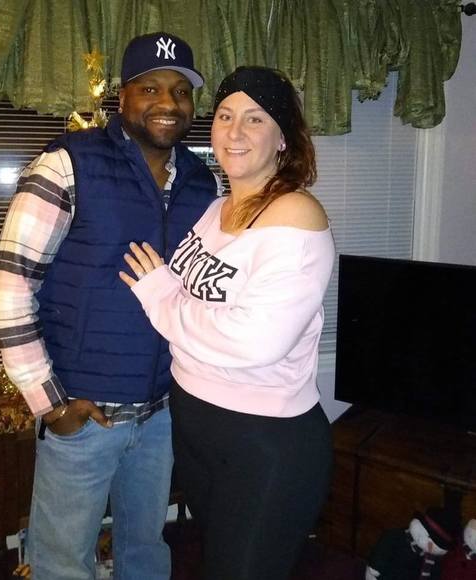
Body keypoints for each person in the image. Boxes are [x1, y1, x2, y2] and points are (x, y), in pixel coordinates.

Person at [0, 32, 218, 580]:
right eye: (150, 88)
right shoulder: (67, 164)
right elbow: (10, 287)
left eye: (181, 91)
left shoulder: (201, 183)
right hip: (84, 412)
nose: (168, 103)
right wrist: (50, 404)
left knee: (145, 552)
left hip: (161, 411)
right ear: (123, 96)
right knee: (62, 562)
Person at [120, 66, 335, 580]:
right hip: (196, 422)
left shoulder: (296, 214)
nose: (234, 131)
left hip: (265, 440)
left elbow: (253, 341)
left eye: (255, 119)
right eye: (225, 116)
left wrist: (158, 295)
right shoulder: (216, 209)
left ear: (282, 137)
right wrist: (168, 296)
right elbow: (190, 298)